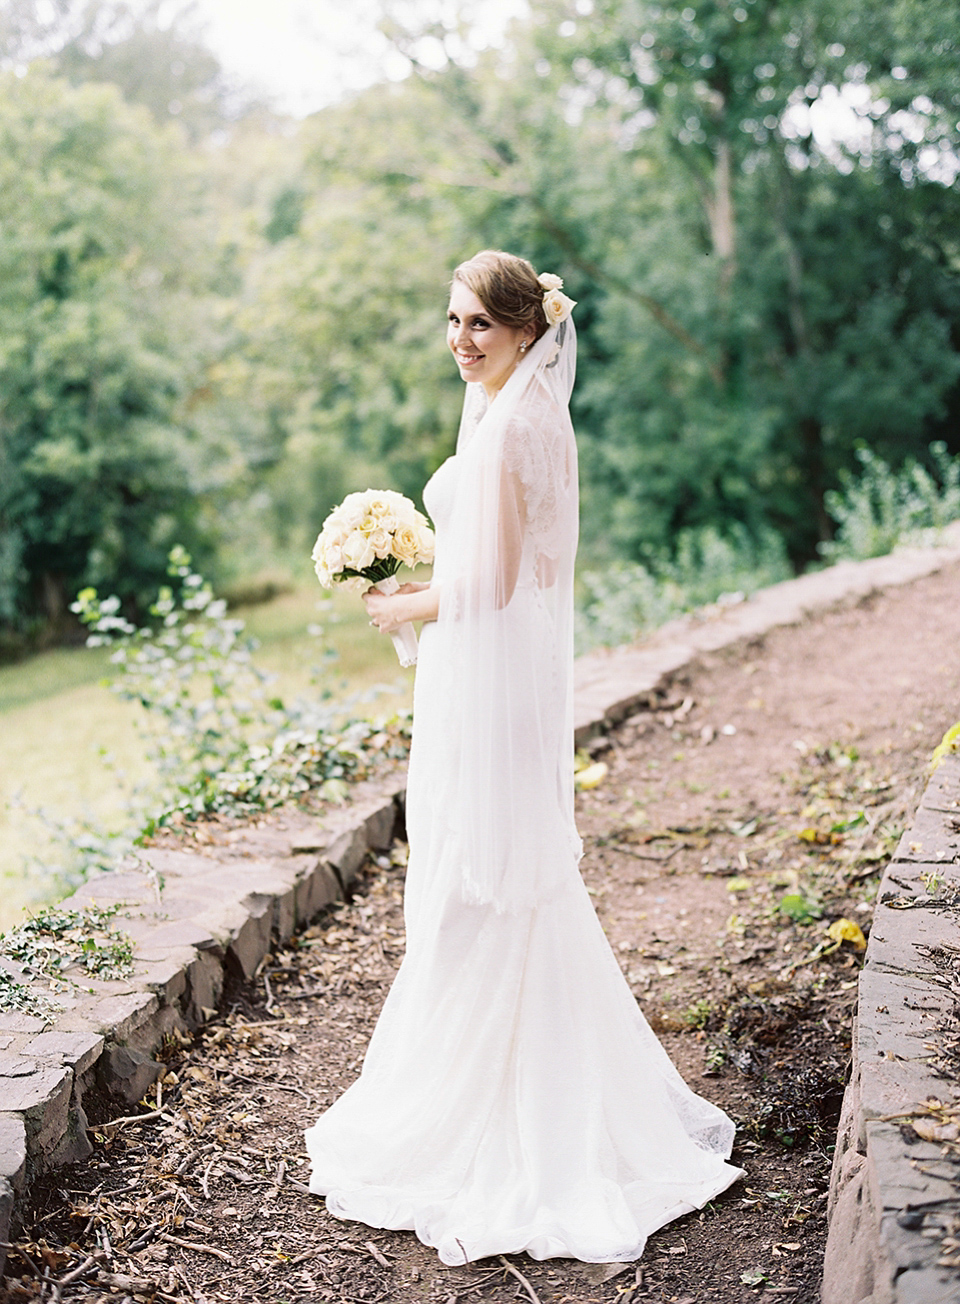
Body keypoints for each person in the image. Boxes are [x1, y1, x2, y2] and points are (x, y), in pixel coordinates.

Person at [304, 250, 743, 1266]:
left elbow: (496, 580)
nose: (460, 341)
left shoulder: (511, 429)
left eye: (479, 327)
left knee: (480, 869)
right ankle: (531, 1077)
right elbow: (535, 563)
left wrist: (398, 601)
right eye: (453, 321)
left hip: (485, 680)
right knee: (498, 872)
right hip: (498, 680)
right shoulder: (535, 414)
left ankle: (488, 1114)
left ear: (529, 331)